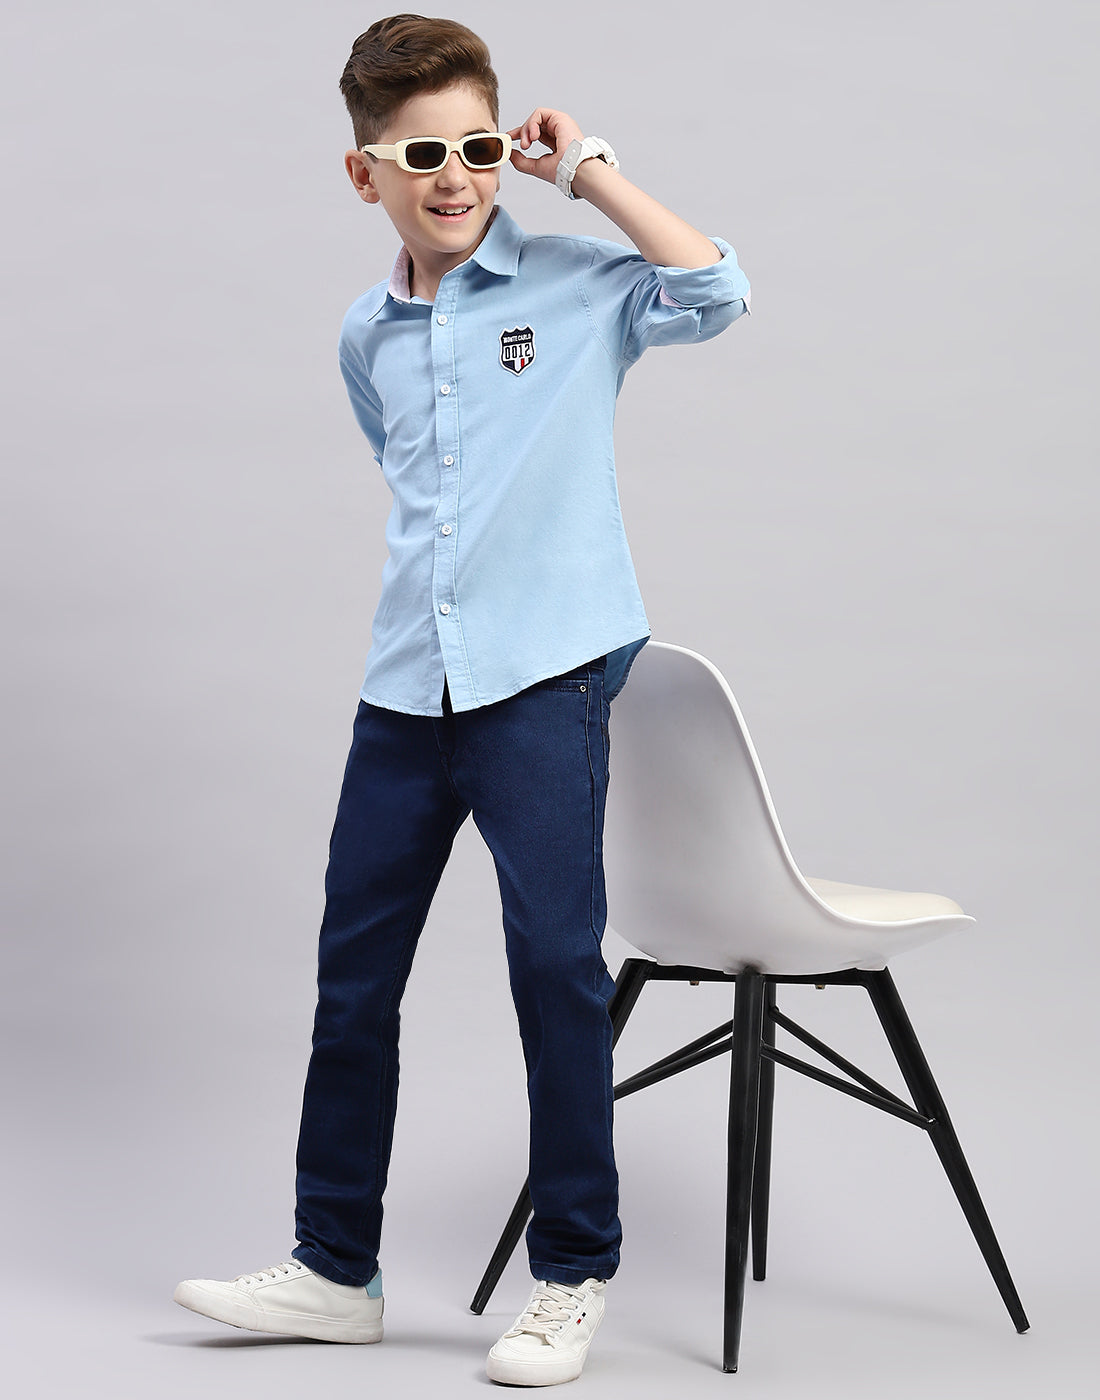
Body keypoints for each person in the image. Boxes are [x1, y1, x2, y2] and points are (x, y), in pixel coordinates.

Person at [174, 13, 750, 1387]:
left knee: (555, 969)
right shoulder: (364, 332)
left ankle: (573, 1273)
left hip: (544, 680)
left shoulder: (576, 286)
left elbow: (718, 288)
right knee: (353, 981)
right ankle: (334, 1269)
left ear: (506, 149)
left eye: (478, 147)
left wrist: (587, 168)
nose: (456, 177)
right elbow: (420, 490)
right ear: (365, 171)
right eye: (422, 154)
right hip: (404, 693)